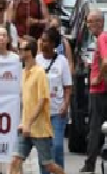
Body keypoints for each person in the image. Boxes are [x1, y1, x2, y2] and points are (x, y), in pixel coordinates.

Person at [10, 37, 65, 174]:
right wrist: (23, 122)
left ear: (32, 52)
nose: (21, 51)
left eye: (25, 49)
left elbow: (42, 101)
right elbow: (25, 101)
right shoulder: (23, 73)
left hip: (40, 129)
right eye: (20, 48)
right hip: (26, 128)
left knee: (49, 166)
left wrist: (29, 123)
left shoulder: (40, 72)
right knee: (15, 162)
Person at [80, 10, 107, 174]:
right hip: (105, 91)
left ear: (100, 22)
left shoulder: (102, 39)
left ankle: (90, 164)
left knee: (94, 129)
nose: (88, 26)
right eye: (88, 22)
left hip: (99, 90)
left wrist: (98, 77)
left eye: (91, 22)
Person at [36, 27, 72, 174]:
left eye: (46, 41)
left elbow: (68, 87)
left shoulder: (62, 62)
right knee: (43, 150)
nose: (42, 44)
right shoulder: (36, 60)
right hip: (41, 113)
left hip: (57, 112)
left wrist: (65, 104)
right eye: (42, 40)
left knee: (57, 146)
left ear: (53, 44)